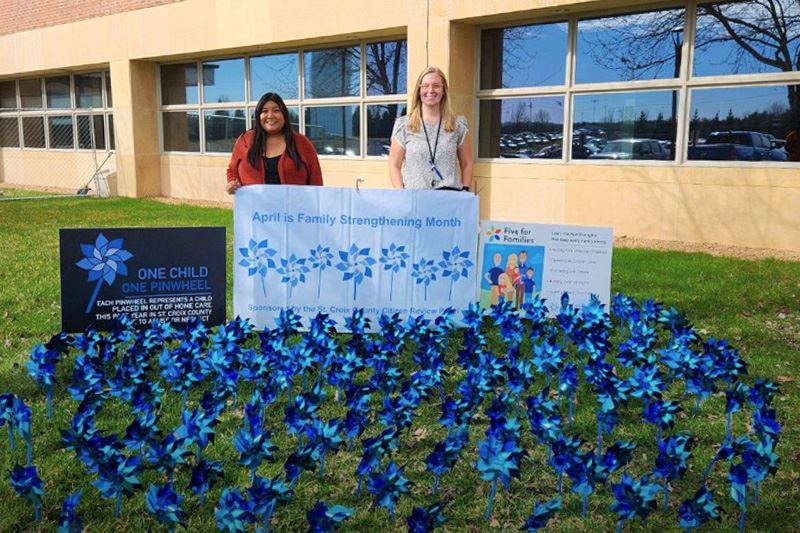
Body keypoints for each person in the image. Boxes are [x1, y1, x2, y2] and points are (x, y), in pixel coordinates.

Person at [388, 66, 473, 191]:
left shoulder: (457, 126)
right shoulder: (404, 125)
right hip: (415, 200)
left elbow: (467, 163)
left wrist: (465, 191)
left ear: (443, 90)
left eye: (436, 86)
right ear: (419, 90)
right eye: (425, 86)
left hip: (448, 199)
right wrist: (401, 194)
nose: (431, 90)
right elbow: (394, 165)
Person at [226, 92, 322, 193]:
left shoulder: (302, 143)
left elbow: (316, 181)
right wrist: (232, 183)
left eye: (276, 110)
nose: (270, 116)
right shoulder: (244, 140)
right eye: (264, 111)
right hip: (254, 207)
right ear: (258, 116)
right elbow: (232, 171)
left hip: (295, 207)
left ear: (284, 114)